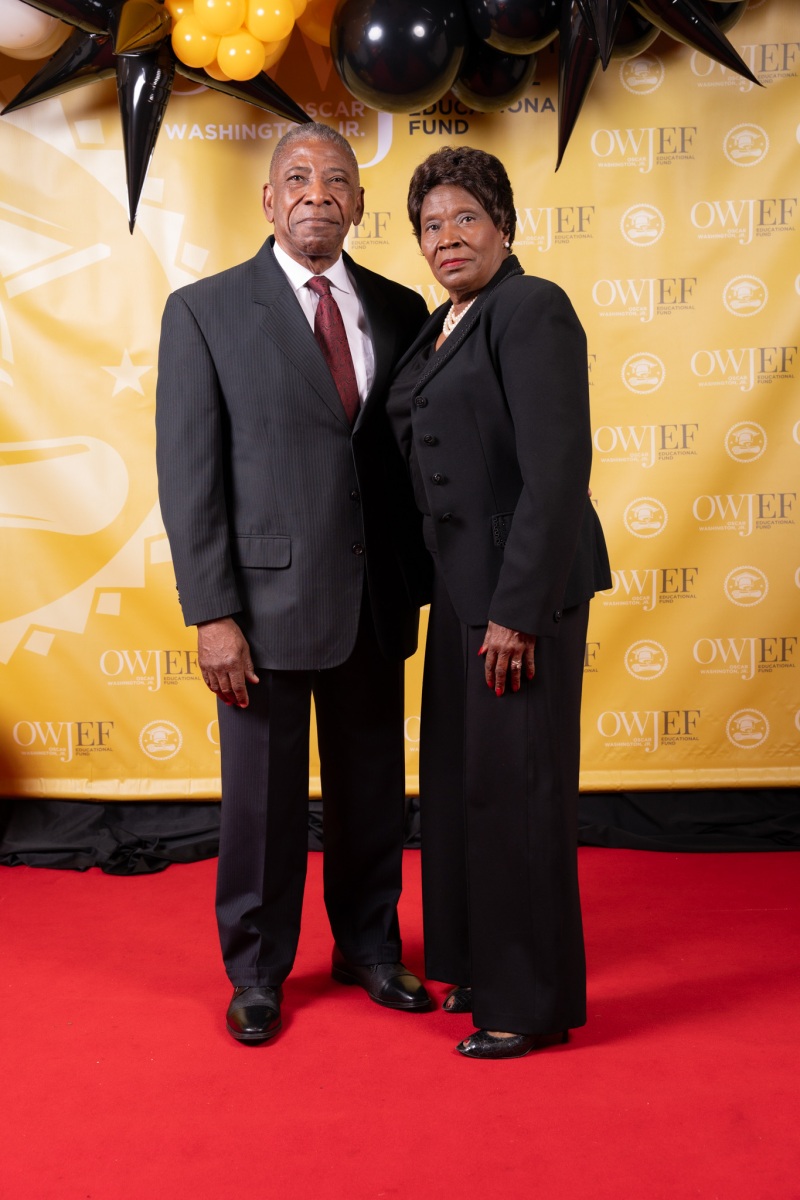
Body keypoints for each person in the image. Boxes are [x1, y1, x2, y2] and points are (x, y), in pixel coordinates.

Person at [155, 123, 433, 1044]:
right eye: (300, 178)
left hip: (372, 599)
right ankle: (257, 971)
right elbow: (189, 474)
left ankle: (369, 946)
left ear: (358, 203)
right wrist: (213, 613)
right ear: (269, 200)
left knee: (373, 794)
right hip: (260, 611)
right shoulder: (204, 311)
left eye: (338, 179)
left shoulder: (400, 307)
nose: (319, 192)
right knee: (263, 806)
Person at [386, 146, 612, 1060]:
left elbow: (557, 473)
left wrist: (518, 610)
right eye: (430, 225)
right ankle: (478, 963)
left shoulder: (531, 307)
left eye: (465, 218)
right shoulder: (443, 325)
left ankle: (529, 1002)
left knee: (519, 792)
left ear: (505, 227)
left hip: (522, 593)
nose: (447, 237)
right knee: (462, 787)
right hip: (458, 591)